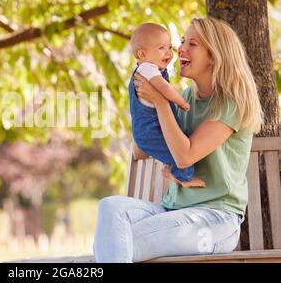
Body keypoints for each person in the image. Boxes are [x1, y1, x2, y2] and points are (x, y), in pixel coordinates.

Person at [93, 17, 263, 263]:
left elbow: (184, 156)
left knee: (118, 242)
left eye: (192, 44)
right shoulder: (185, 98)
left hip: (215, 219)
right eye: (182, 41)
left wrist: (161, 101)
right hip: (172, 209)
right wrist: (145, 102)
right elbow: (140, 150)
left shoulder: (230, 105)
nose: (179, 49)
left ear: (214, 56)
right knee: (109, 208)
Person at [129, 23, 205, 188]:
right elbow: (165, 88)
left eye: (169, 47)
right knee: (177, 157)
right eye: (161, 48)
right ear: (142, 54)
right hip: (150, 130)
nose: (170, 53)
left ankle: (174, 171)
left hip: (148, 131)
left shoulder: (146, 70)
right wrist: (180, 102)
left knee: (176, 151)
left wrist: (160, 100)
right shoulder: (148, 69)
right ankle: (182, 176)